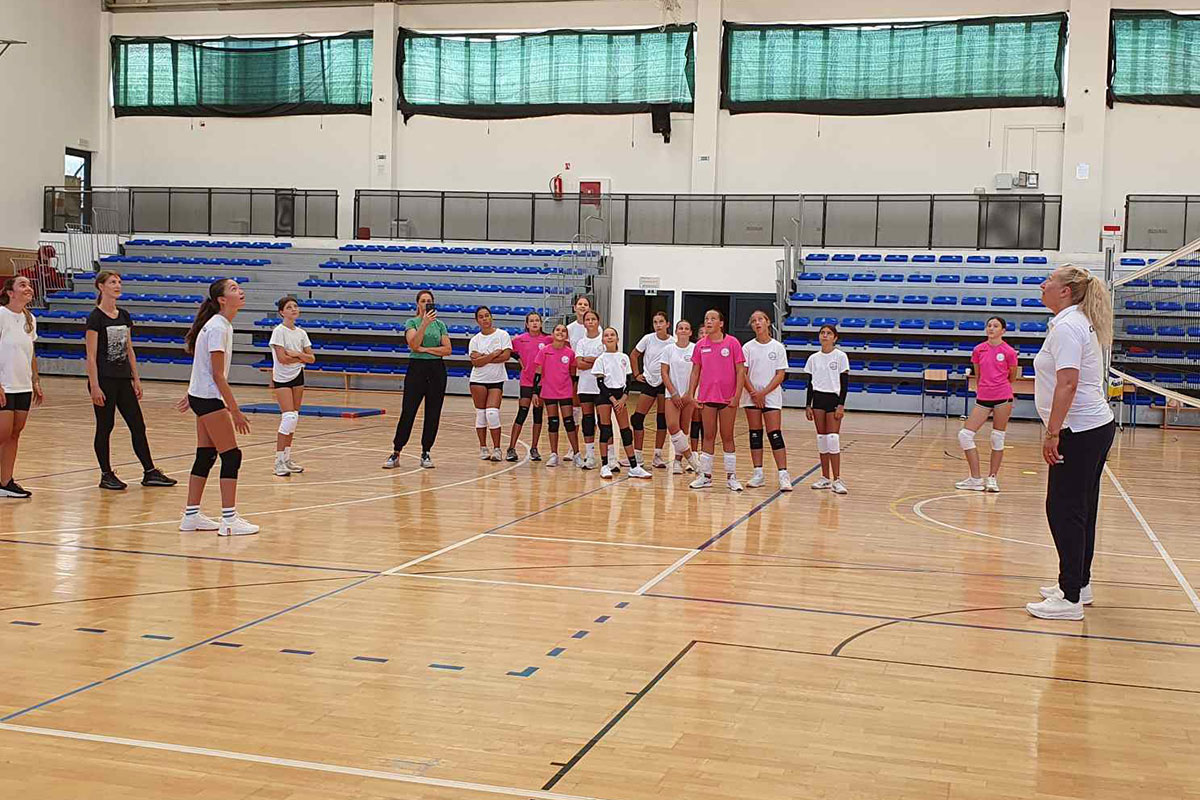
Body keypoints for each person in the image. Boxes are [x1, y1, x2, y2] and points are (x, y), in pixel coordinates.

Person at [1026, 266, 1116, 622]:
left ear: (1064, 291)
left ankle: (1070, 597)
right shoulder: (1075, 322)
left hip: (1079, 431)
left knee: (1063, 510)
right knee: (1081, 509)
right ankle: (1079, 583)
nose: (1043, 283)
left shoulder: (1068, 326)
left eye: (1049, 280)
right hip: (1093, 427)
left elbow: (1068, 384)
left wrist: (1053, 432)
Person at [177, 278, 257, 536]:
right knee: (232, 456)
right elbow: (217, 374)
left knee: (206, 455)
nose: (240, 291)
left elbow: (201, 366)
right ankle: (229, 520)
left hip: (201, 396)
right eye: (233, 289)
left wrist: (192, 393)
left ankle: (191, 516)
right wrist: (235, 411)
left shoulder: (219, 324)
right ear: (222, 299)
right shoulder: (218, 327)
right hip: (210, 398)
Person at [85, 270, 175, 491]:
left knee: (137, 425)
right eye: (112, 282)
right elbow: (91, 355)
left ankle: (150, 472)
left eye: (119, 282)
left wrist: (136, 378)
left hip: (123, 379)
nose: (117, 285)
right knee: (105, 426)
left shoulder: (124, 315)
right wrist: (94, 385)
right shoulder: (95, 317)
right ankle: (106, 474)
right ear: (101, 287)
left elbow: (129, 349)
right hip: (104, 380)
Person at [384, 290, 449, 470]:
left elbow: (447, 349)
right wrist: (424, 324)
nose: (426, 303)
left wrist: (425, 349)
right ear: (418, 304)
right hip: (416, 369)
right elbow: (413, 344)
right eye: (423, 301)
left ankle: (426, 451)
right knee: (408, 411)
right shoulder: (411, 323)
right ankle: (396, 451)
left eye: (429, 301)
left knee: (433, 413)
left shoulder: (440, 325)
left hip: (436, 370)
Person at [956, 316, 1019, 493]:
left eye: (995, 326)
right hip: (983, 397)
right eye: (989, 325)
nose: (991, 328)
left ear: (1003, 331)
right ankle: (975, 479)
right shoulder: (979, 350)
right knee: (965, 435)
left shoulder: (1009, 352)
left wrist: (998, 387)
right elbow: (978, 374)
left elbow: (1012, 376)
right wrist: (984, 388)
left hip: (1003, 398)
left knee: (997, 438)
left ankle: (992, 478)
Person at [686, 309, 746, 491]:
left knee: (727, 436)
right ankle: (705, 476)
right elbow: (695, 371)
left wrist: (737, 395)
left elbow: (740, 371)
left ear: (721, 323)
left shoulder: (733, 343)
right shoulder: (700, 345)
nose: (709, 321)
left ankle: (731, 477)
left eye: (713, 318)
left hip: (728, 398)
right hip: (707, 397)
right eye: (706, 319)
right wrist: (691, 394)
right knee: (708, 435)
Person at [0, 276, 43, 498]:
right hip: (4, 385)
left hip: (22, 385)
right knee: (2, 433)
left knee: (14, 434)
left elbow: (30, 352)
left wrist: (35, 380)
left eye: (29, 285)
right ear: (10, 292)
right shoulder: (1, 315)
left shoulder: (30, 318)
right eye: (22, 285)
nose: (29, 288)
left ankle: (5, 482)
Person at [742, 309, 792, 491]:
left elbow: (780, 375)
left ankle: (783, 474)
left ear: (768, 322)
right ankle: (758, 474)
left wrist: (763, 393)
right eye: (754, 320)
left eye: (760, 319)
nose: (757, 323)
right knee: (755, 434)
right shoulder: (747, 348)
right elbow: (743, 373)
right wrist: (754, 393)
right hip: (751, 397)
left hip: (770, 397)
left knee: (775, 434)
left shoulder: (777, 347)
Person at [593, 327, 651, 480]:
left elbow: (628, 381)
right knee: (606, 430)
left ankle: (634, 466)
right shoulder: (600, 359)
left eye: (612, 335)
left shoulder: (623, 357)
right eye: (606, 335)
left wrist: (624, 398)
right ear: (603, 340)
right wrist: (613, 400)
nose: (609, 337)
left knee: (626, 431)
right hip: (605, 397)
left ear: (617, 339)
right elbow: (600, 383)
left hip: (620, 396)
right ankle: (605, 465)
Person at [270, 296, 315, 477]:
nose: (294, 309)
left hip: (298, 376)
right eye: (289, 307)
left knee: (294, 418)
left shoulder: (301, 333)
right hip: (282, 378)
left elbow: (312, 358)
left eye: (295, 306)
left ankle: (287, 458)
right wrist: (301, 358)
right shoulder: (278, 331)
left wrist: (297, 354)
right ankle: (278, 461)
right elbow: (282, 358)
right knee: (288, 417)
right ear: (282, 312)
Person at [803, 324, 850, 495]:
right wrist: (808, 405)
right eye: (822, 333)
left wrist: (841, 405)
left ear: (835, 338)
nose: (825, 335)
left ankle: (837, 479)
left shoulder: (841, 356)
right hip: (818, 400)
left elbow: (845, 383)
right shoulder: (813, 358)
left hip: (833, 400)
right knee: (822, 440)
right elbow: (810, 384)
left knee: (832, 439)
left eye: (829, 333)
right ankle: (825, 478)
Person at [468, 305, 512, 461]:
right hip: (478, 380)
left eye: (487, 315)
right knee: (481, 414)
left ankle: (497, 449)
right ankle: (483, 447)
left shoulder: (502, 335)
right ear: (477, 320)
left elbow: (506, 356)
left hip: (496, 380)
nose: (485, 319)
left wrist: (483, 357)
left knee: (492, 413)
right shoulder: (475, 340)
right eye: (481, 317)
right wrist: (493, 354)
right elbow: (475, 363)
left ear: (491, 317)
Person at [630, 310, 673, 468]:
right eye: (655, 322)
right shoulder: (648, 339)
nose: (658, 325)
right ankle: (637, 455)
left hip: (664, 383)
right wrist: (636, 374)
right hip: (649, 381)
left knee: (662, 420)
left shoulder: (673, 343)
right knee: (637, 418)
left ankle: (657, 455)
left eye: (661, 322)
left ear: (667, 324)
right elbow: (634, 355)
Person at [507, 311, 551, 462]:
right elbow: (509, 350)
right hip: (526, 381)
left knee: (538, 415)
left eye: (537, 320)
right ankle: (511, 448)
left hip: (542, 382)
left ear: (541, 323)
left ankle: (534, 448)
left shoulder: (548, 339)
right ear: (527, 324)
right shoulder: (519, 339)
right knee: (522, 412)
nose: (534, 323)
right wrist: (520, 360)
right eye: (531, 321)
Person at [534, 323, 578, 467]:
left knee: (569, 422)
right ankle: (553, 454)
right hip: (549, 391)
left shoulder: (570, 353)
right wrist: (535, 392)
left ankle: (576, 453)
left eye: (564, 331)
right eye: (557, 330)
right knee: (553, 423)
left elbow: (573, 375)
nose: (560, 332)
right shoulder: (544, 351)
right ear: (552, 334)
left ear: (567, 336)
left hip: (565, 391)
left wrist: (572, 391)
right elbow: (538, 373)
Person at [660, 318, 701, 475]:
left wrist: (689, 393)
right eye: (680, 328)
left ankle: (678, 461)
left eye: (686, 328)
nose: (683, 330)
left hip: (689, 395)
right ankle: (692, 459)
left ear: (690, 332)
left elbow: (698, 372)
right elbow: (664, 372)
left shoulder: (695, 349)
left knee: (684, 428)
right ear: (676, 331)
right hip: (672, 394)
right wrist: (674, 393)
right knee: (672, 426)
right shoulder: (669, 349)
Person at [573, 309, 605, 469]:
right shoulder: (581, 342)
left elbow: (606, 363)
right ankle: (590, 455)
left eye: (593, 319)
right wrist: (596, 361)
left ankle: (609, 456)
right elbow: (579, 364)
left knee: (603, 421)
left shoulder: (604, 339)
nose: (590, 322)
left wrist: (589, 359)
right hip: (585, 386)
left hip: (601, 386)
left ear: (598, 321)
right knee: (587, 419)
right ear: (584, 323)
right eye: (588, 320)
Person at [565, 295, 592, 457]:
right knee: (574, 412)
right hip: (575, 373)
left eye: (585, 304)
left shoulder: (596, 328)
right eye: (580, 304)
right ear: (575, 307)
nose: (582, 306)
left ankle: (590, 449)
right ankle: (572, 448)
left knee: (590, 414)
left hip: (590, 374)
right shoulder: (569, 328)